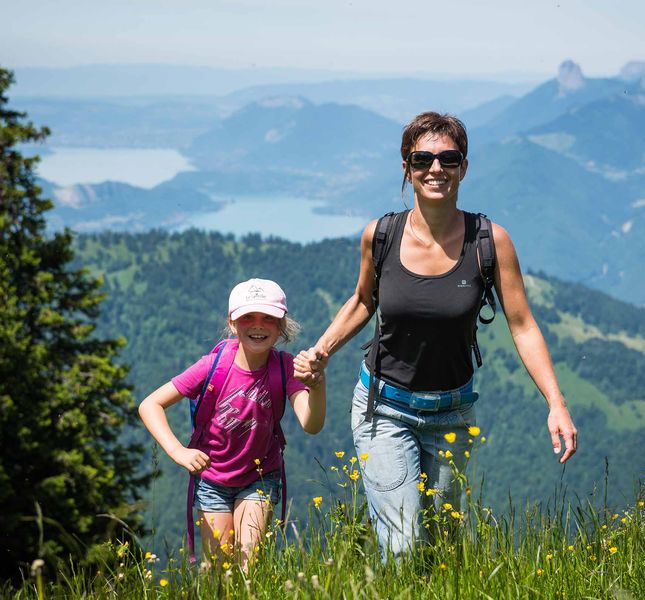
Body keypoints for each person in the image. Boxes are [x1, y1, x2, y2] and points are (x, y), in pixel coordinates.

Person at [294, 111, 577, 559]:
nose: (435, 169)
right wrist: (322, 350)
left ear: (464, 167)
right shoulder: (381, 235)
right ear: (406, 168)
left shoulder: (489, 241)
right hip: (383, 407)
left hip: (452, 413)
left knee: (441, 550)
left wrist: (556, 403)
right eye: (422, 158)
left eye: (448, 158)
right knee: (403, 546)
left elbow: (522, 325)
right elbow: (364, 300)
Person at [139, 278, 326, 562]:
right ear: (232, 322)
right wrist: (177, 451)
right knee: (219, 570)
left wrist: (318, 386)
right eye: (248, 317)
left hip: (261, 477)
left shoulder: (285, 367)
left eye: (269, 318)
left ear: (282, 324)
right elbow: (150, 404)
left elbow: (311, 424)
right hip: (213, 477)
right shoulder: (212, 366)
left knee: (249, 564)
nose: (258, 325)